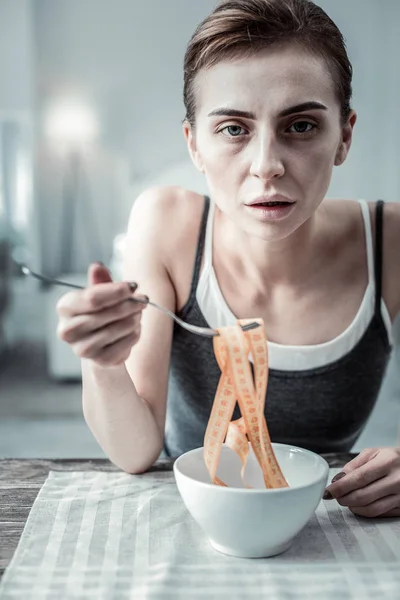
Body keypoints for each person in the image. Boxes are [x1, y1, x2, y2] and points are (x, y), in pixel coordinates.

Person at [56, 0, 400, 517]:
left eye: (301, 126)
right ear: (194, 144)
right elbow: (134, 452)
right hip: (188, 509)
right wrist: (102, 363)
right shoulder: (167, 223)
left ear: (343, 136)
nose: (267, 167)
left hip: (333, 517)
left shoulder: (390, 239)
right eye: (234, 129)